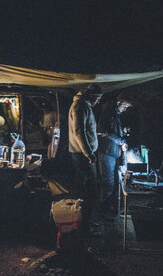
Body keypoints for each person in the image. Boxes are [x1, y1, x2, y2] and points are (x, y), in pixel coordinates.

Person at [68, 83, 103, 232]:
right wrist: (88, 153)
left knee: (88, 189)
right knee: (88, 189)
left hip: (83, 154)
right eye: (98, 98)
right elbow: (78, 131)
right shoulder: (80, 106)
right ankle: (83, 225)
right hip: (82, 155)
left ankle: (85, 222)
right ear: (93, 96)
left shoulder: (83, 105)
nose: (99, 102)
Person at [97, 92, 133, 219]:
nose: (126, 109)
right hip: (107, 152)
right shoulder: (109, 112)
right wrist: (121, 141)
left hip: (112, 152)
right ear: (118, 102)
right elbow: (102, 131)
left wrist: (122, 132)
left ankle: (109, 207)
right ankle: (103, 211)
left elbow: (112, 130)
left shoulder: (116, 114)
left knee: (112, 181)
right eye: (125, 106)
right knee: (108, 182)